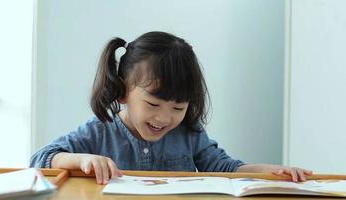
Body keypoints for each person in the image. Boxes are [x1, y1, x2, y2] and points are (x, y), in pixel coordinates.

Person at [30, 31, 312, 185]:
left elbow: (227, 168)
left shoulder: (189, 132)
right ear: (122, 92)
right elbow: (40, 160)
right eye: (153, 104)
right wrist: (80, 160)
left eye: (178, 107)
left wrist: (273, 173)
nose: (164, 118)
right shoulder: (99, 131)